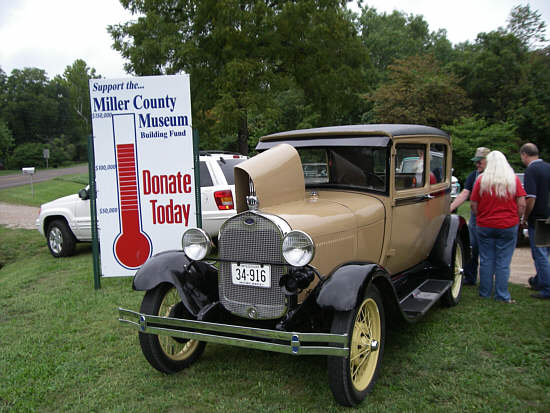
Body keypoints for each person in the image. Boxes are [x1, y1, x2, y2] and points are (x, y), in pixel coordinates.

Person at [470, 151, 526, 303]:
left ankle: (485, 292)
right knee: (503, 261)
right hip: (508, 224)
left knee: (486, 259)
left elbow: (473, 204)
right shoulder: (512, 180)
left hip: (485, 224)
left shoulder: (481, 180)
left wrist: (480, 215)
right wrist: (518, 218)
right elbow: (522, 203)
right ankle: (502, 295)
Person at [450, 147, 490, 285]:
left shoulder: (495, 176)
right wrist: (450, 208)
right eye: (476, 162)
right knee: (472, 247)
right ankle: (470, 277)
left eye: (480, 161)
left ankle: (487, 281)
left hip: (488, 218)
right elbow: (464, 193)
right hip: (475, 218)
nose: (477, 164)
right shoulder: (473, 176)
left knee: (487, 252)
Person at [519, 143, 550, 300]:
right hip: (548, 214)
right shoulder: (547, 167)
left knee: (540, 254)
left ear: (525, 154)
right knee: (546, 252)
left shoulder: (531, 170)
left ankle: (547, 287)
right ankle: (538, 280)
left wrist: (525, 217)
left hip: (538, 218)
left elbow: (531, 198)